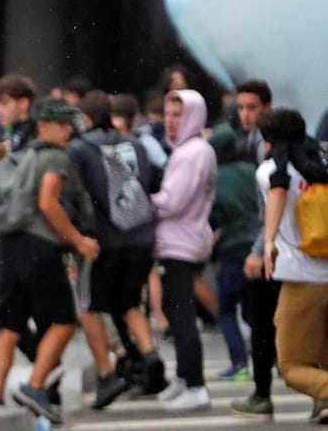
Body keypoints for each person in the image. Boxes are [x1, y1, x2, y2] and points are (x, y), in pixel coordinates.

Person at [0, 97, 98, 423]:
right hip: (38, 249)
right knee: (64, 320)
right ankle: (35, 387)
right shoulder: (54, 157)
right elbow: (49, 203)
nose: (67, 131)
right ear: (43, 126)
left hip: (8, 246)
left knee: (11, 326)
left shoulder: (21, 156)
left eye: (69, 126)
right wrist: (79, 241)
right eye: (61, 125)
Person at [66, 90, 165, 409]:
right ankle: (150, 356)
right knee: (128, 302)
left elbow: (75, 196)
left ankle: (108, 375)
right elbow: (153, 182)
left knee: (89, 305)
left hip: (104, 240)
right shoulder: (134, 143)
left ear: (85, 118)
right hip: (141, 235)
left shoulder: (80, 149)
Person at [256, 107, 328, 422]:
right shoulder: (323, 166)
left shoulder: (269, 171)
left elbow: (278, 192)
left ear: (268, 140)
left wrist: (269, 242)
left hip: (301, 278)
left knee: (293, 366)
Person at [151, 89, 217, 412]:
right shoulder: (193, 150)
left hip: (180, 241)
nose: (171, 121)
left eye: (178, 114)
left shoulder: (191, 152)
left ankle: (195, 386)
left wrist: (143, 202)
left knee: (181, 315)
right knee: (175, 310)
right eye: (168, 113)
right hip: (182, 239)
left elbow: (172, 200)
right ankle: (183, 378)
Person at [207, 123, 260, 383]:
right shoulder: (251, 171)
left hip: (232, 249)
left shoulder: (215, 178)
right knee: (257, 310)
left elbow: (214, 217)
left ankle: (239, 362)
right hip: (258, 246)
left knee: (226, 309)